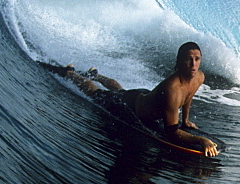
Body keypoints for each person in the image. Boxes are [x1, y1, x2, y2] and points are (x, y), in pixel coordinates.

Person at [45, 42, 219, 157]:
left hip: (142, 97)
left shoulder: (199, 77)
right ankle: (70, 73)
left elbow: (188, 96)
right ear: (180, 61)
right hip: (131, 107)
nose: (193, 64)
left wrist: (186, 120)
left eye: (197, 59)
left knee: (120, 90)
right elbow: (171, 132)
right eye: (188, 59)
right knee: (97, 94)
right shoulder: (172, 89)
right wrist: (200, 140)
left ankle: (95, 74)